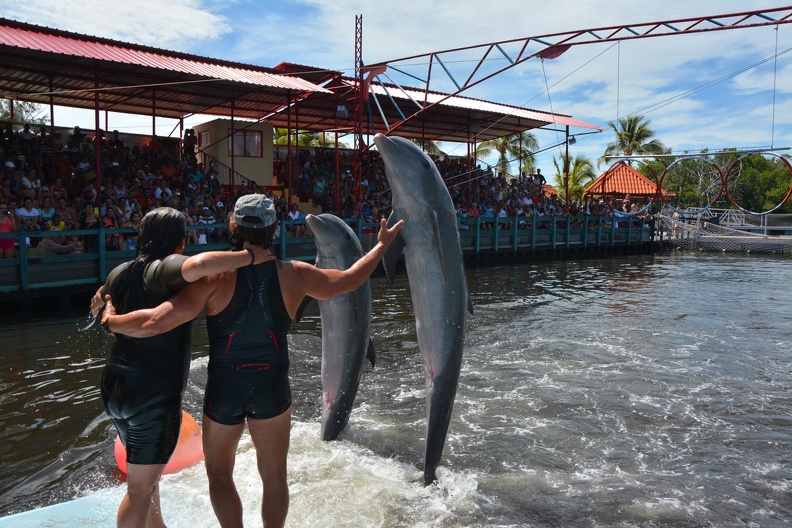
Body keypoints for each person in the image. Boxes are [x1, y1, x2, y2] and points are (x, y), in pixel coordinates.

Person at [100, 194, 404, 528]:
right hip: (271, 386)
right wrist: (380, 246)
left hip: (224, 389)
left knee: (218, 472)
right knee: (274, 475)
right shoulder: (298, 274)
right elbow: (349, 279)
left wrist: (111, 319)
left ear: (232, 226)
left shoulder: (213, 279)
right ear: (274, 229)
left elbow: (158, 320)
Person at [88, 207, 272, 528]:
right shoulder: (163, 269)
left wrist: (107, 307)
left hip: (116, 389)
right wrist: (250, 257)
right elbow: (200, 264)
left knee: (147, 477)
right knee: (140, 489)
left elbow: (97, 302)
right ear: (180, 241)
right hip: (151, 396)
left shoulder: (120, 272)